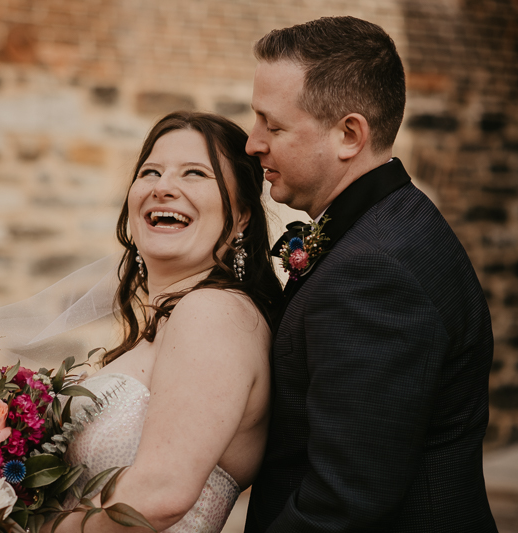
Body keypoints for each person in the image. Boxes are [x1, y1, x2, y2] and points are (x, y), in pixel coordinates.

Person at [244, 16, 497, 532]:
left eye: (272, 125)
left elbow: (343, 503)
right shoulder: (390, 224)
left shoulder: (375, 273)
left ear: (349, 134)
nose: (252, 143)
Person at [41, 111, 283, 532]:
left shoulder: (214, 311)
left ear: (242, 215)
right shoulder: (168, 324)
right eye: (150, 171)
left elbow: (160, 493)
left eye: (194, 174)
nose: (163, 187)